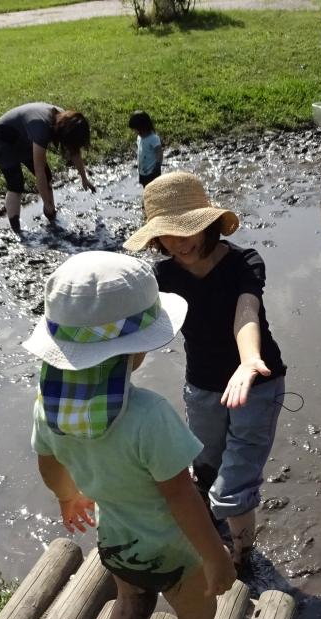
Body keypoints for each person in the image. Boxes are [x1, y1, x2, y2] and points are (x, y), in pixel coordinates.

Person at [24, 251, 236, 619]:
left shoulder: (49, 408)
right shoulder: (149, 415)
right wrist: (215, 556)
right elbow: (180, 494)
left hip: (118, 543)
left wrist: (68, 496)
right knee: (196, 618)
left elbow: (47, 461)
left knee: (128, 604)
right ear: (136, 353)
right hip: (175, 550)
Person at [123, 172, 287, 580]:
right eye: (169, 235)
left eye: (189, 229)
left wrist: (248, 360)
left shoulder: (243, 263)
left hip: (257, 383)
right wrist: (113, 374)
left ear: (209, 223)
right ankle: (215, 535)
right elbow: (142, 335)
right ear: (157, 239)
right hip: (202, 387)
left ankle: (242, 556)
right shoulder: (164, 277)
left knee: (232, 486)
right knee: (206, 466)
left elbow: (246, 312)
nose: (181, 243)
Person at [0, 102, 96, 231]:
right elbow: (39, 172)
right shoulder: (41, 129)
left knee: (47, 175)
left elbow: (74, 152)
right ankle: (17, 231)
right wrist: (45, 201)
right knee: (16, 184)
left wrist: (84, 178)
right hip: (2, 139)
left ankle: (52, 216)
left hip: (23, 138)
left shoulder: (63, 120)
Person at [129, 110, 164, 187]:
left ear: (143, 128)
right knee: (146, 188)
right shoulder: (139, 137)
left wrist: (158, 165)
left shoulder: (153, 138)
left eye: (137, 130)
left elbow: (159, 153)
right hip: (143, 171)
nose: (136, 132)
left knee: (154, 189)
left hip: (153, 172)